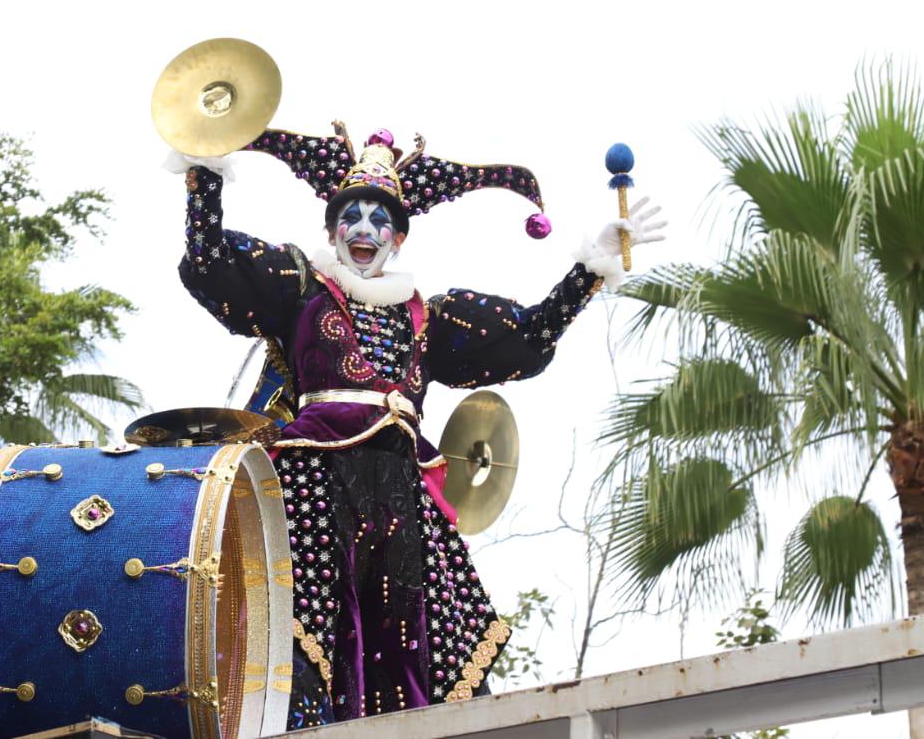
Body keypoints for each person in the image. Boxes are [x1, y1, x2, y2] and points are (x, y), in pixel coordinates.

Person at [170, 124, 664, 728]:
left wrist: (588, 272)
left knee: (424, 647)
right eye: (351, 217)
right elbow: (211, 262)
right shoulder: (300, 291)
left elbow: (528, 337)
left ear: (398, 237)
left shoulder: (429, 318)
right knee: (303, 633)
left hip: (400, 492)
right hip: (312, 484)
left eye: (380, 221)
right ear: (331, 230)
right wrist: (205, 179)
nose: (364, 230)